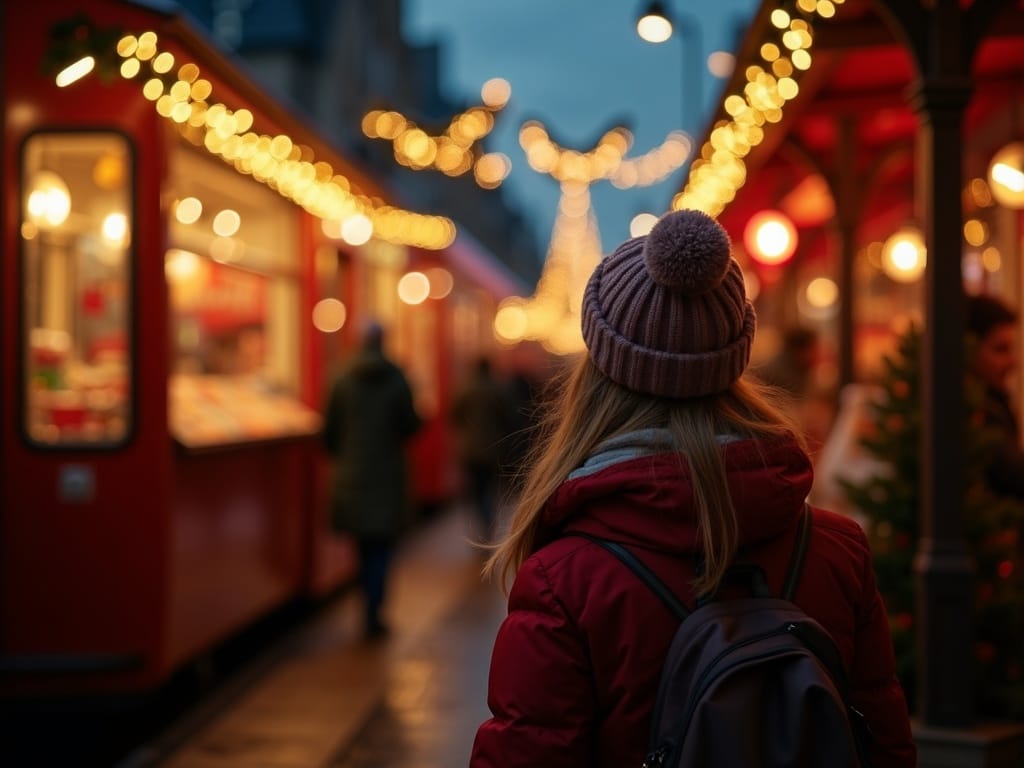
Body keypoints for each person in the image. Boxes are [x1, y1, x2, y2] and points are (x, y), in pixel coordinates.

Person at [469, 210, 916, 767]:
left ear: (599, 373)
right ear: (735, 360)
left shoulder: (565, 580)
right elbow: (885, 744)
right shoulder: (839, 550)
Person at [323, 320, 421, 639]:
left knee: (362, 545)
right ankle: (374, 612)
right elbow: (410, 425)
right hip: (387, 476)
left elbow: (330, 432)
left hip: (351, 474)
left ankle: (366, 605)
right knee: (382, 547)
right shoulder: (396, 378)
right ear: (383, 341)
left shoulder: (341, 378)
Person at [966, 293, 1024, 500]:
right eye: (1001, 349)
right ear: (968, 349)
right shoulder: (974, 413)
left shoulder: (995, 403)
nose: (1012, 362)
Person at [451, 356, 515, 541]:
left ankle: (482, 524)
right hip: (493, 449)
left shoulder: (466, 389)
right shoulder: (498, 390)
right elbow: (509, 418)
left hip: (470, 450)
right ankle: (489, 523)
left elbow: (455, 416)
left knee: (476, 491)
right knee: (491, 489)